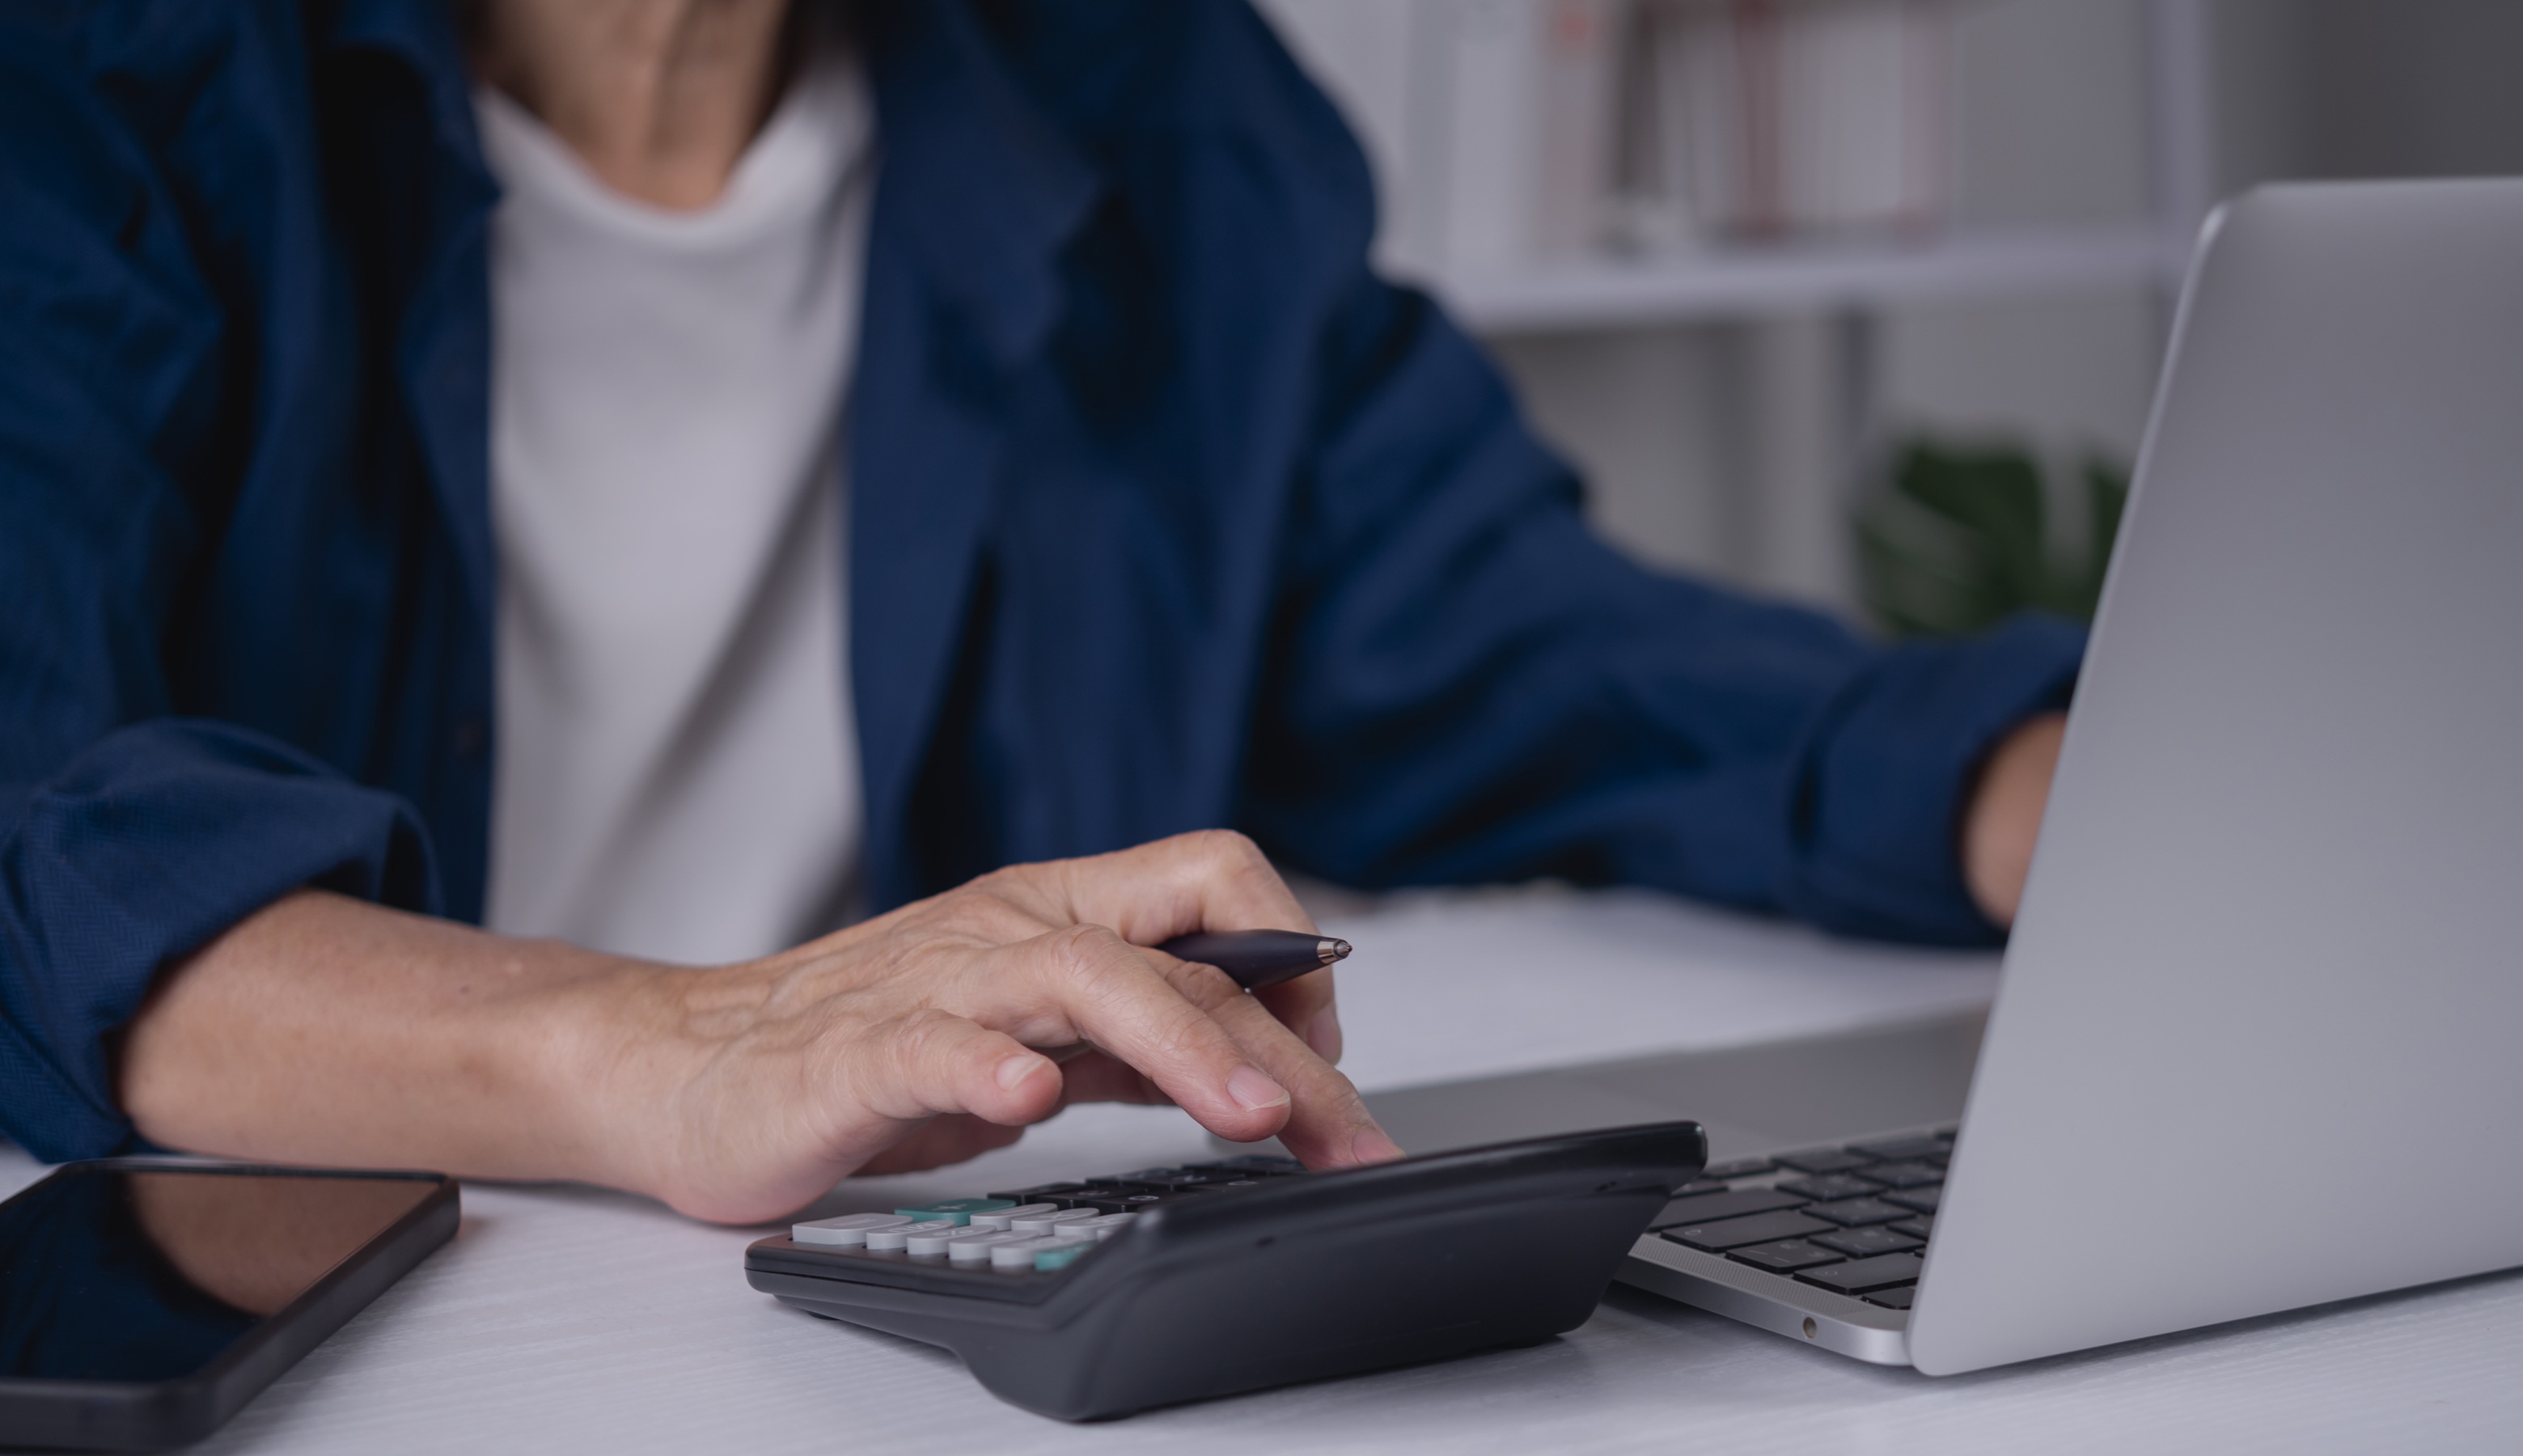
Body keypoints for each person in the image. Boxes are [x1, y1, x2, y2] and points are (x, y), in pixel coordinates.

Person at [0, 0, 2081, 1223]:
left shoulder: (1143, 95)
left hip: (889, 1326)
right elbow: (41, 826)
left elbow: (1507, 643)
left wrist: (2039, 788)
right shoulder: (101, 84)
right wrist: (669, 1044)